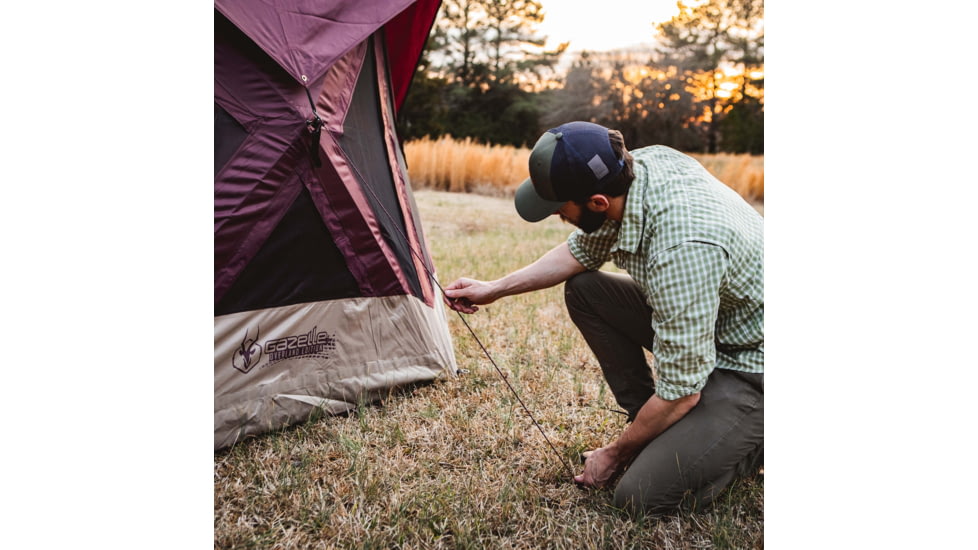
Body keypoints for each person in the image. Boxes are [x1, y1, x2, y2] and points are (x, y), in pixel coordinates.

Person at [443, 121, 764, 516]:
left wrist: (614, 453)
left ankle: (748, 442)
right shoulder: (639, 168)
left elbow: (683, 388)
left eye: (560, 209)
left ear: (597, 202)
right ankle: (653, 427)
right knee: (587, 290)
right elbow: (580, 252)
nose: (558, 216)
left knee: (641, 497)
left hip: (752, 363)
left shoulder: (681, 249)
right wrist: (494, 288)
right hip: (713, 324)